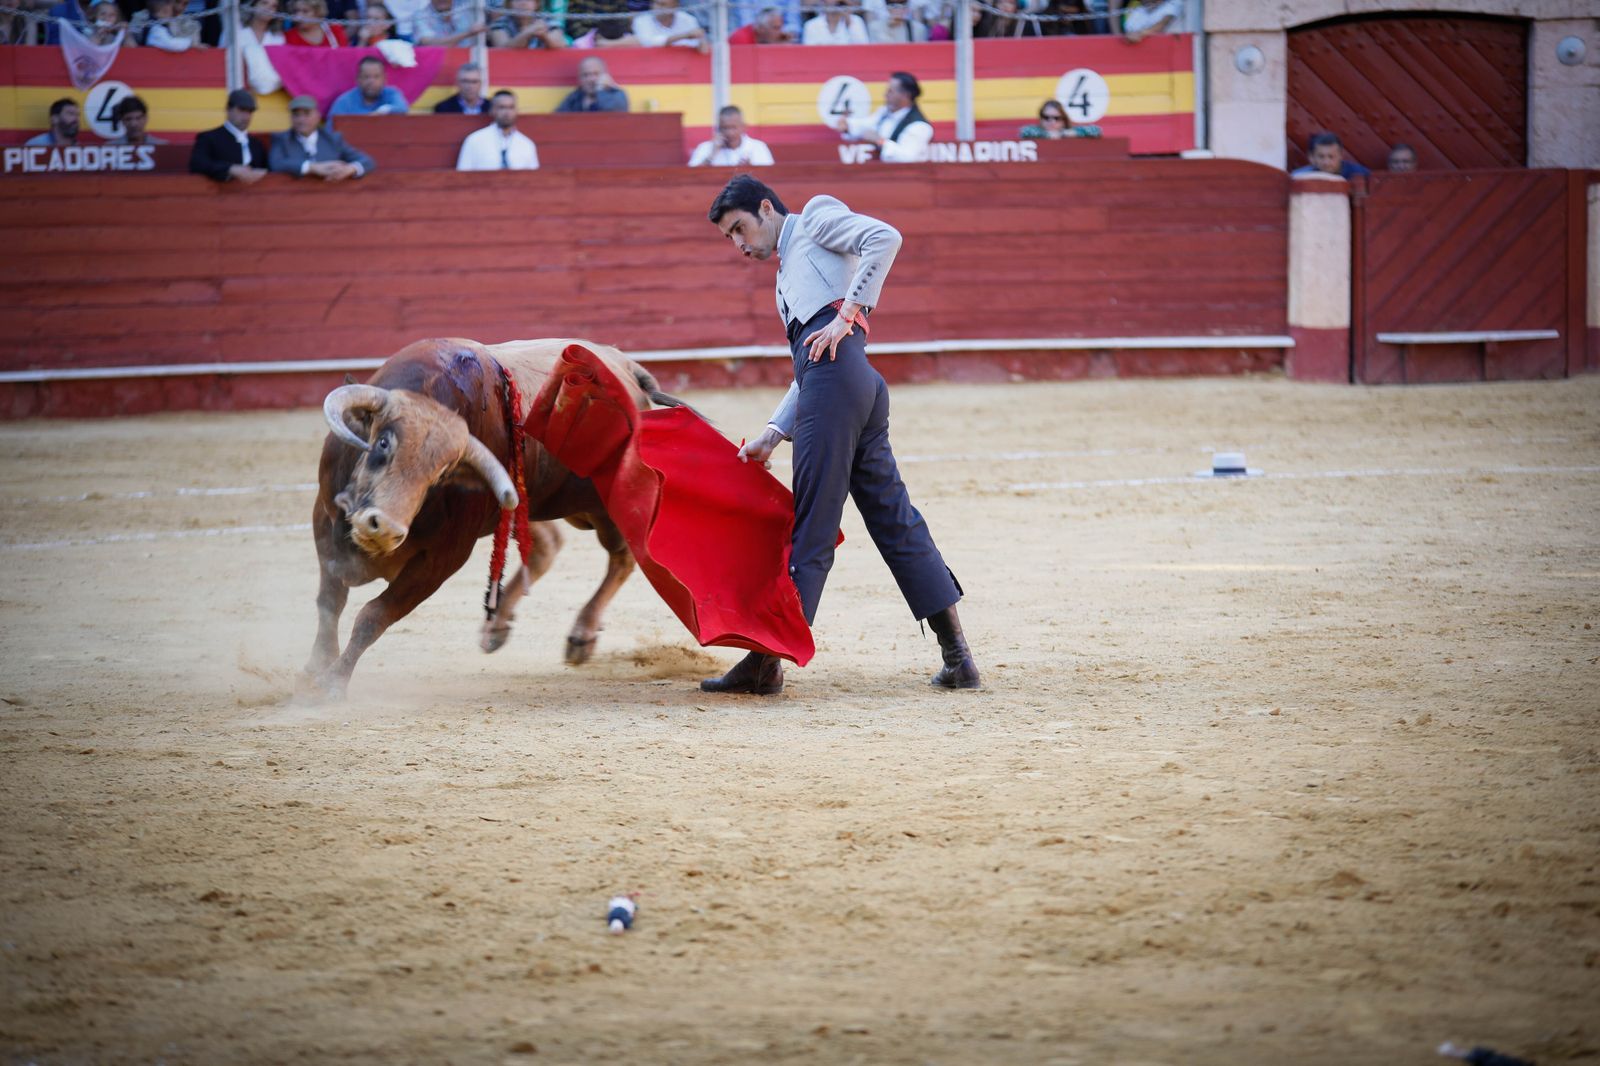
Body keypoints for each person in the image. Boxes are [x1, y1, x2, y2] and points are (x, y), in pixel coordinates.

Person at [702, 175, 979, 696]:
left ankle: (766, 664)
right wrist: (772, 432)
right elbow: (812, 362)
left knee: (810, 529)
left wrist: (849, 313)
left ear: (766, 208)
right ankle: (958, 658)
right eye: (728, 238)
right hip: (852, 386)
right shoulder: (788, 275)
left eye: (740, 228)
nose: (739, 245)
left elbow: (885, 237)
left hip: (839, 386)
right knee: (894, 518)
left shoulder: (816, 218)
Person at [269, 94, 375, 180]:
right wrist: (312, 167)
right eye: (296, 115)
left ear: (317, 116)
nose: (301, 120)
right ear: (291, 118)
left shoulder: (333, 139)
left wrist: (350, 169)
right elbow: (275, 164)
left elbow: (367, 161)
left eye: (306, 114)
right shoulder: (282, 139)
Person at [836, 71, 932, 164]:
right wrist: (847, 126)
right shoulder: (884, 112)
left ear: (905, 95)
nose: (885, 95)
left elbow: (907, 158)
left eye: (890, 91)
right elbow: (867, 126)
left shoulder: (920, 126)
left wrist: (880, 141)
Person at [189, 89, 269, 183]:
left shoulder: (256, 144)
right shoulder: (209, 138)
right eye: (242, 110)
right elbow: (197, 164)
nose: (246, 116)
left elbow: (268, 169)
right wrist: (230, 168)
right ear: (228, 109)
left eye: (250, 111)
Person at [456, 90, 540, 170]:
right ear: (492, 110)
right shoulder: (474, 140)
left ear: (516, 111)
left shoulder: (527, 144)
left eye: (511, 107)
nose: (507, 112)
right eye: (501, 107)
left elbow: (534, 179)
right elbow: (462, 175)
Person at [688, 105, 774, 167]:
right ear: (718, 128)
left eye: (734, 128)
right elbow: (691, 176)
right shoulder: (705, 147)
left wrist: (750, 170)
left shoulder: (758, 147)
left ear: (743, 127)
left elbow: (770, 177)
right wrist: (712, 155)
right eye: (725, 128)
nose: (730, 133)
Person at [329, 56, 409, 116]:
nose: (371, 81)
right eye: (366, 77)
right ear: (358, 79)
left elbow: (402, 108)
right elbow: (331, 133)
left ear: (384, 79)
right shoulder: (345, 102)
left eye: (376, 76)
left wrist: (382, 111)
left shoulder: (391, 93)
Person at [237, 0, 286, 96]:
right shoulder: (236, 33)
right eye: (264, 3)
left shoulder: (279, 38)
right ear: (252, 5)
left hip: (274, 94)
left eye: (274, 6)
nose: (269, 8)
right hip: (240, 90)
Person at [554, 57, 629, 112]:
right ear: (580, 79)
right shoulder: (574, 97)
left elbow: (613, 115)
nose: (591, 79)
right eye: (585, 75)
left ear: (605, 76)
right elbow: (557, 120)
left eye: (596, 74)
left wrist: (600, 89)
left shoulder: (617, 94)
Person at [1292, 131, 1371, 179]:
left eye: (1331, 157)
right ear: (1312, 157)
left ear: (1341, 155)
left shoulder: (1360, 173)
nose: (1326, 162)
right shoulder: (1299, 177)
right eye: (1321, 156)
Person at [489, 0, 566, 48]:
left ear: (536, 4)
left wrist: (544, 36)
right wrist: (528, 32)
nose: (523, 3)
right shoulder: (500, 23)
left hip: (542, 67)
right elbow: (503, 48)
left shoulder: (547, 20)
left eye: (528, 0)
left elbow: (561, 44)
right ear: (510, 4)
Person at [631, 0, 705, 48]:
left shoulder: (688, 19)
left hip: (685, 66)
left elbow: (697, 45)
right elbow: (649, 42)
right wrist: (685, 36)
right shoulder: (641, 20)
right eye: (656, 3)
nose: (657, 7)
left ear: (675, 5)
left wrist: (702, 41)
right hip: (650, 65)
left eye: (663, 5)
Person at [409, 0, 486, 46]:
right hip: (436, 64)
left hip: (468, 60)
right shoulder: (420, 15)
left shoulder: (466, 9)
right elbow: (430, 43)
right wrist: (468, 33)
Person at [1019, 97, 1100, 139]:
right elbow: (1025, 132)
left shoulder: (1070, 132)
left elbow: (1096, 130)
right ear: (1041, 119)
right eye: (1046, 117)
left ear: (1064, 120)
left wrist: (1064, 134)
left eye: (1056, 118)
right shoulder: (1036, 132)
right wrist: (1047, 135)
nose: (1051, 122)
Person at [284, 0, 348, 45]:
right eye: (296, 11)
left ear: (318, 12)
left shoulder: (335, 31)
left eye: (305, 11)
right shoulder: (288, 36)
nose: (298, 16)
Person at [802, 0, 867, 44]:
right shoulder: (811, 25)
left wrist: (849, 22)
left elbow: (862, 49)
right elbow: (810, 53)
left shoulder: (856, 21)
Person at [1112, 0, 1179, 42]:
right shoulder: (1137, 12)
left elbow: (1163, 23)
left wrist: (1141, 34)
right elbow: (1130, 33)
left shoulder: (1172, 4)